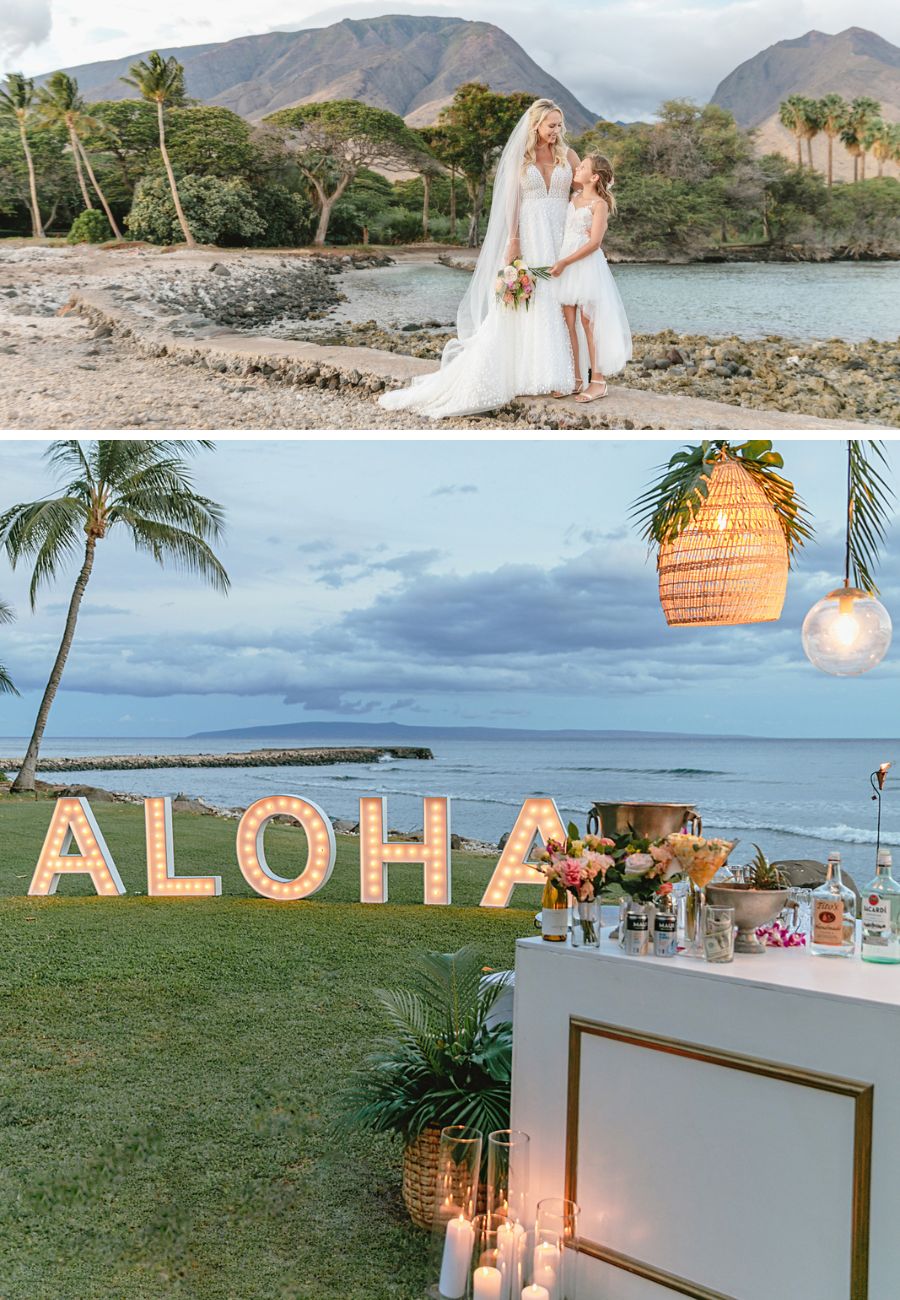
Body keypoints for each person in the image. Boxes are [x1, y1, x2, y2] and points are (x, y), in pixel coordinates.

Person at [379, 98, 579, 420]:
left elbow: (585, 192)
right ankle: (529, 372)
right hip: (530, 234)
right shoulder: (521, 159)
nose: (557, 131)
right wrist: (513, 240)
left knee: (560, 298)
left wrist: (587, 225)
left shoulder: (568, 156)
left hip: (561, 236)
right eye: (551, 125)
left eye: (559, 125)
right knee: (529, 301)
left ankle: (561, 373)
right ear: (536, 126)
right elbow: (511, 202)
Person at [550, 153, 632, 402]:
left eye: (583, 167)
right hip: (566, 264)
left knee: (589, 322)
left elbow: (595, 242)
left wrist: (564, 261)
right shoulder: (574, 197)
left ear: (594, 177)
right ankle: (575, 378)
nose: (577, 168)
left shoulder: (599, 205)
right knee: (568, 322)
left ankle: (598, 381)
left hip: (584, 265)